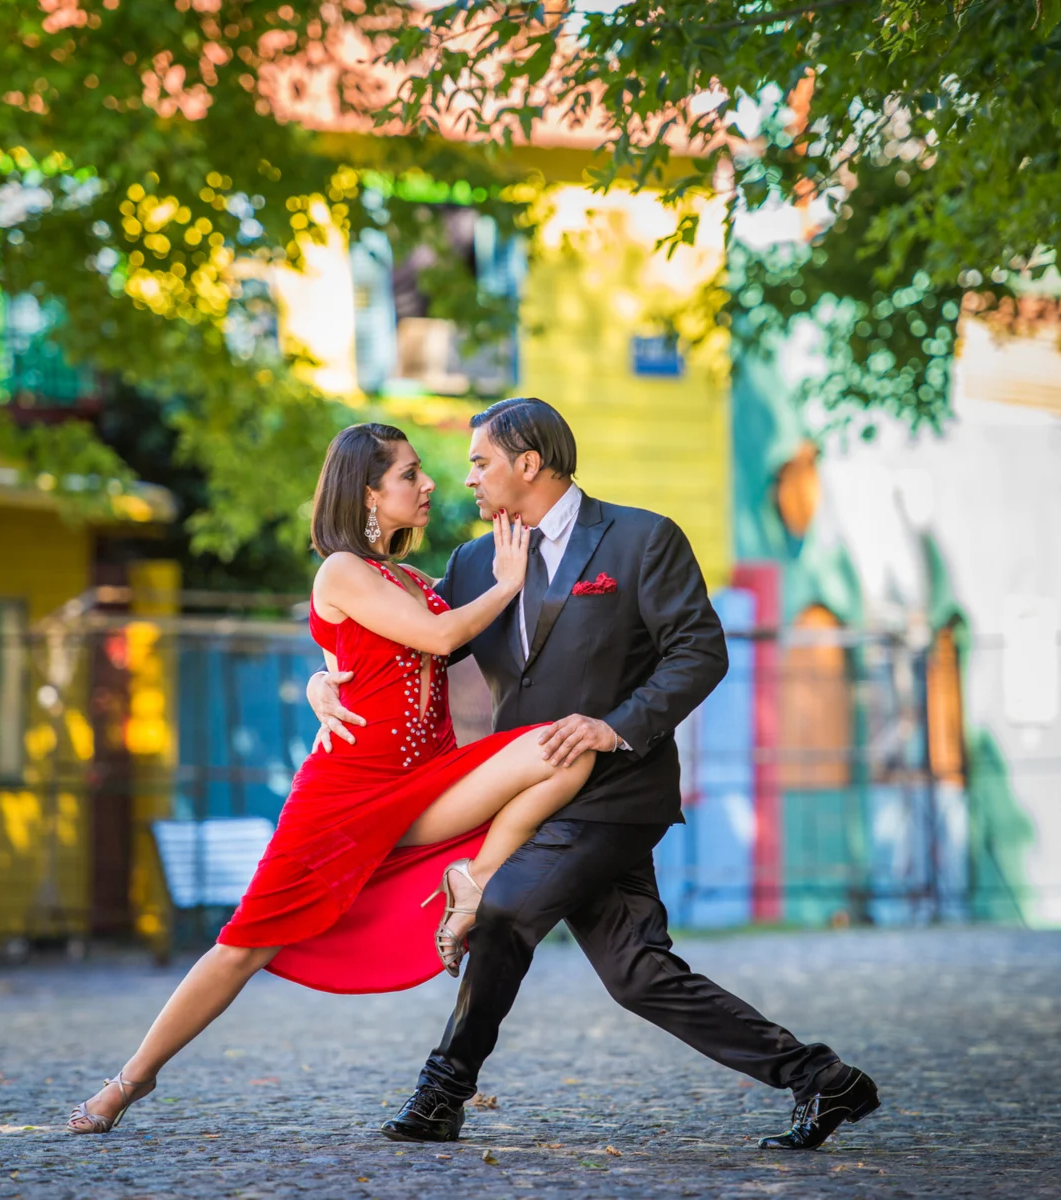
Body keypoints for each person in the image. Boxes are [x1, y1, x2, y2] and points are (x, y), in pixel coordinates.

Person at [308, 397, 879, 1151]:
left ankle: (441, 1092)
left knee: (503, 908)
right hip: (532, 796)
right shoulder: (477, 563)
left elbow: (700, 652)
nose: (468, 478)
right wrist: (325, 680)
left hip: (618, 792)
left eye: (481, 462)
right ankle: (825, 1080)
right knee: (638, 973)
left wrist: (616, 726)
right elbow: (407, 648)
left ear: (529, 463)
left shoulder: (643, 539)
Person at [67, 422, 595, 1134]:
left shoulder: (407, 578)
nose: (430, 483)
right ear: (368, 494)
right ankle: (131, 1080)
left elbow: (367, 649)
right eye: (410, 474)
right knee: (242, 947)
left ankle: (471, 881)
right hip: (345, 798)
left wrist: (323, 677)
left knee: (569, 749)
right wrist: (506, 585)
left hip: (429, 783)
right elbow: (439, 638)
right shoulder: (340, 570)